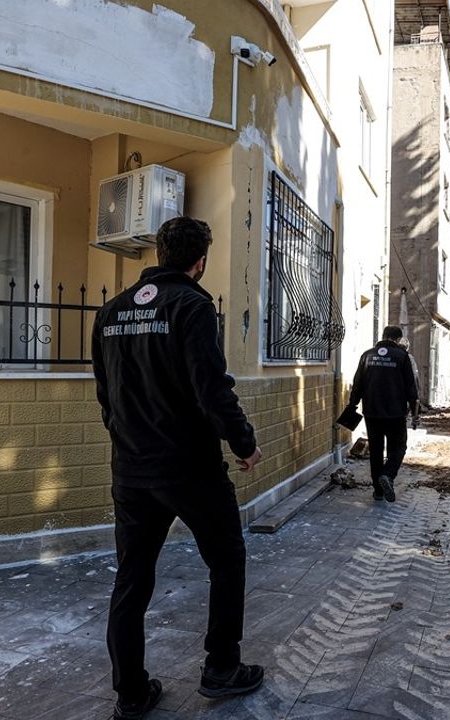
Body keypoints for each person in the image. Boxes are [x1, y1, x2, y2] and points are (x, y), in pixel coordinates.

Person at [92, 217, 265, 719]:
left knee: (132, 577)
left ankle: (130, 692)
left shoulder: (111, 312)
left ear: (158, 253)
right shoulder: (193, 306)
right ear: (200, 262)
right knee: (227, 559)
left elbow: (106, 397)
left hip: (130, 470)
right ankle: (221, 668)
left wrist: (130, 442)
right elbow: (210, 387)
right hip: (190, 469)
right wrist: (244, 442)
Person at [347, 325, 419, 502]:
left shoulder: (367, 355)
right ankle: (388, 475)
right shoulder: (403, 357)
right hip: (395, 413)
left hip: (372, 412)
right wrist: (415, 411)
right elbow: (411, 386)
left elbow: (358, 383)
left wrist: (352, 405)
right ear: (398, 339)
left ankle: (378, 491)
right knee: (398, 447)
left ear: (384, 336)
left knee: (376, 450)